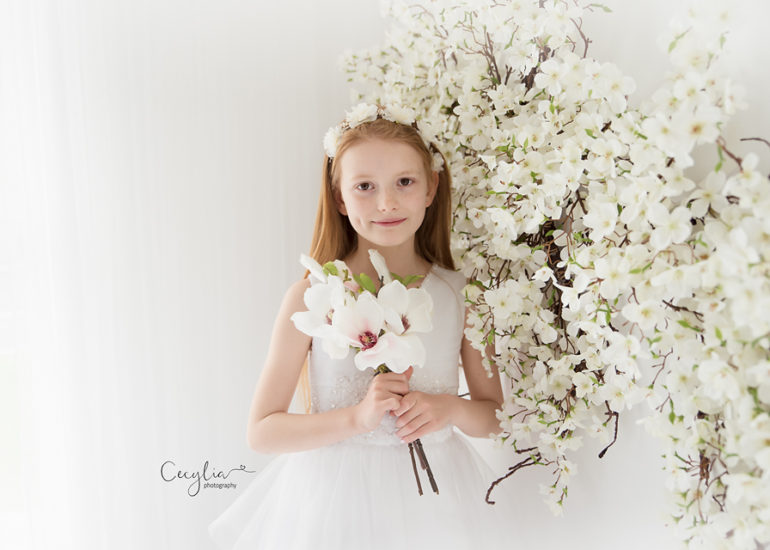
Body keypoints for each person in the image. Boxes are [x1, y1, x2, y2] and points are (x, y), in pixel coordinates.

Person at [208, 104, 516, 549]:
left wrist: (449, 409)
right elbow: (262, 431)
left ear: (431, 187)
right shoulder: (312, 297)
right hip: (333, 503)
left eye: (404, 182)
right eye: (365, 187)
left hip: (436, 501)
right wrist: (357, 418)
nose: (386, 202)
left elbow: (495, 418)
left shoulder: (460, 295)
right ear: (340, 197)